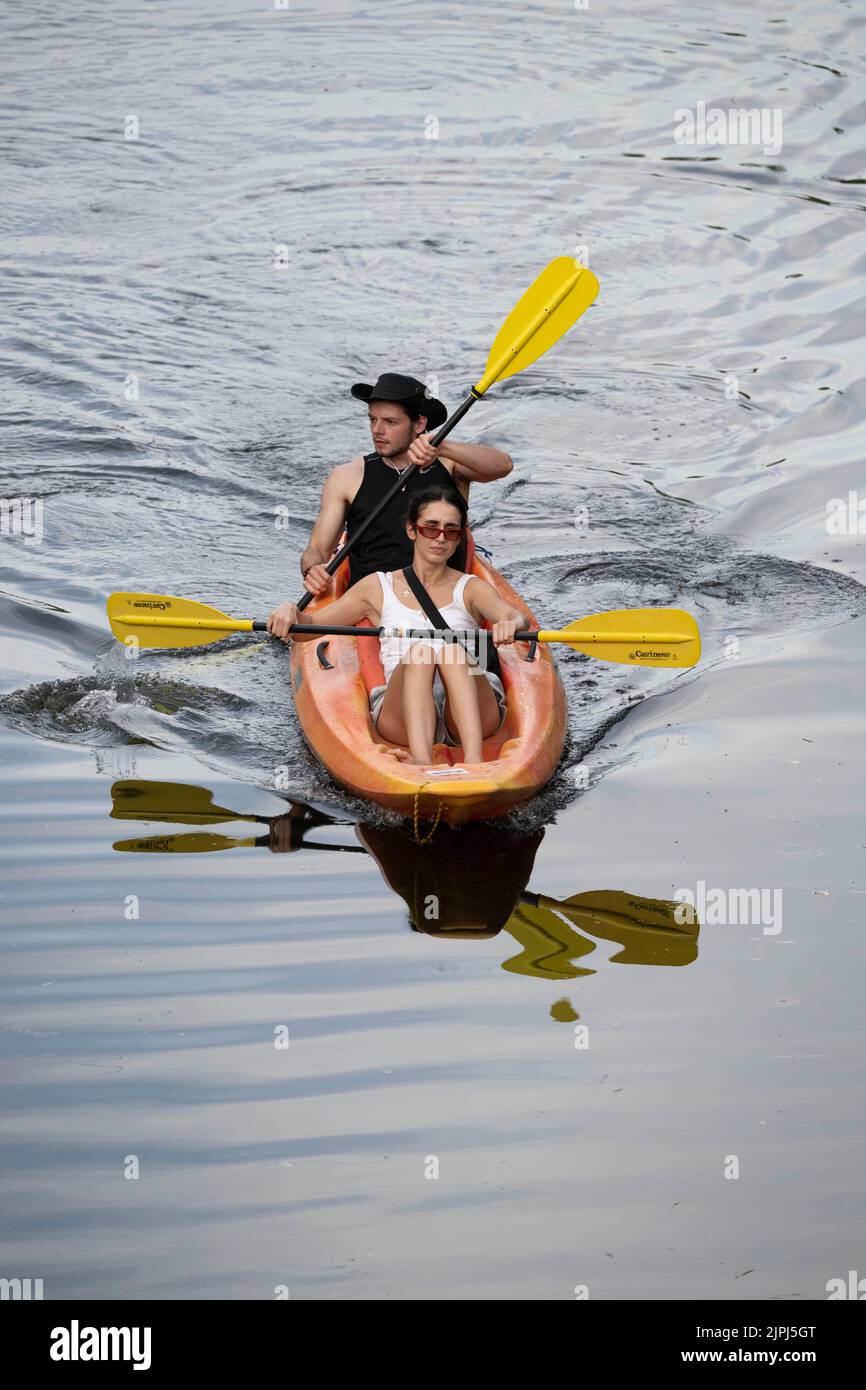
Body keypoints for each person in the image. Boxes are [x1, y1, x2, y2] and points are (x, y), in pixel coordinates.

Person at [269, 486, 526, 766]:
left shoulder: (471, 588)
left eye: (450, 531)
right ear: (411, 530)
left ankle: (475, 762)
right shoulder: (378, 588)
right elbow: (310, 627)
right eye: (430, 528)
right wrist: (291, 611)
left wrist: (509, 625)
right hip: (402, 713)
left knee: (453, 653)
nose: (440, 538)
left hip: (472, 707)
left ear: (458, 538)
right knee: (421, 653)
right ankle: (420, 760)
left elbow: (513, 616)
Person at [300, 372, 512, 592]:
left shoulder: (450, 465)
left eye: (390, 422)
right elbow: (317, 549)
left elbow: (503, 465)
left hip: (443, 598)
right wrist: (313, 569)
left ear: (419, 424)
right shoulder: (346, 476)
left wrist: (443, 447)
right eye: (373, 419)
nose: (377, 430)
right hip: (369, 603)